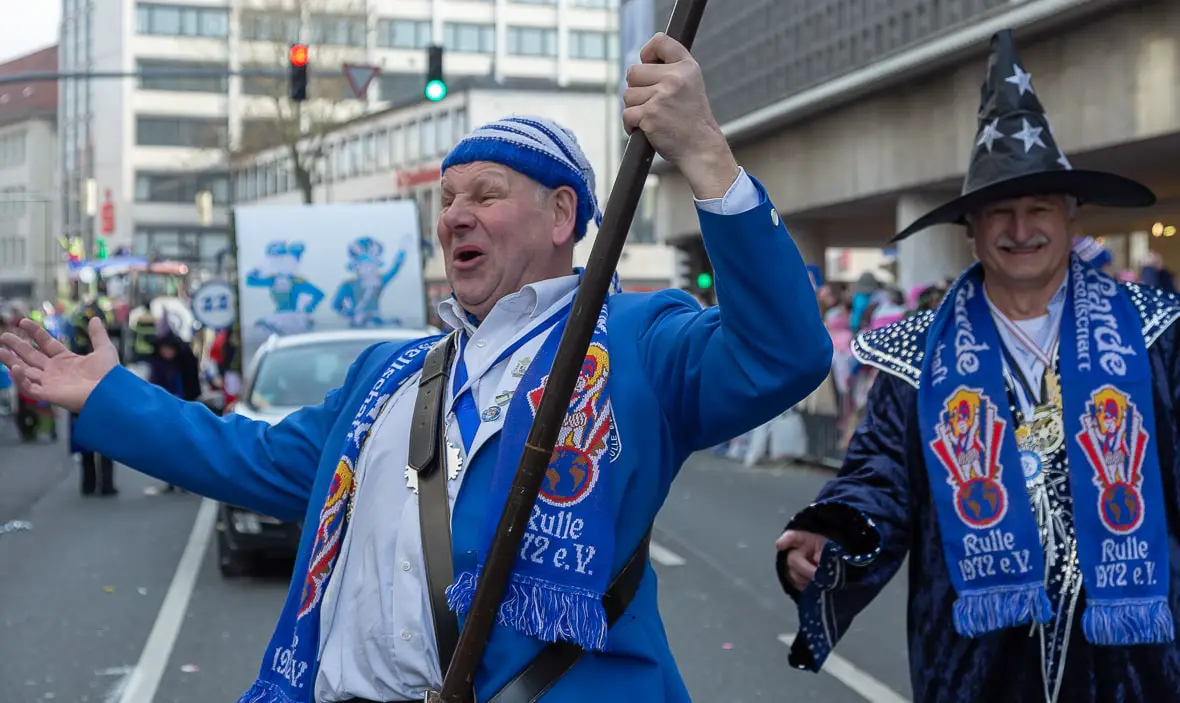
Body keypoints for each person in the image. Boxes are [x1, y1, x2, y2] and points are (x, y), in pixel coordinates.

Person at [1, 33, 832, 703]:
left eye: (485, 193)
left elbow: (782, 354)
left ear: (561, 214)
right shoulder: (387, 376)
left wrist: (704, 154)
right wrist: (106, 395)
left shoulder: (639, 342)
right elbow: (249, 456)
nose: (455, 215)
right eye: (445, 198)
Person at [774, 29, 1180, 703]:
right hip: (979, 663)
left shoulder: (1160, 334)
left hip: (1145, 662)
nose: (1020, 227)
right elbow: (878, 475)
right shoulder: (918, 355)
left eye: (1038, 208)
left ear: (1069, 215)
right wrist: (833, 531)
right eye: (999, 211)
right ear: (970, 227)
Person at [66, 296, 118, 496]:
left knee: (88, 447)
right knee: (104, 448)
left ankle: (90, 485)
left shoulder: (77, 349)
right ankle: (105, 486)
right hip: (99, 402)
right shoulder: (105, 351)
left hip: (84, 403)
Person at [145, 332, 202, 494]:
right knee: (167, 448)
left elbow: (191, 386)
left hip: (183, 408)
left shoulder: (185, 361)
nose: (167, 353)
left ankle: (186, 481)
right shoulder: (158, 364)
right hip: (164, 411)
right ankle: (170, 482)